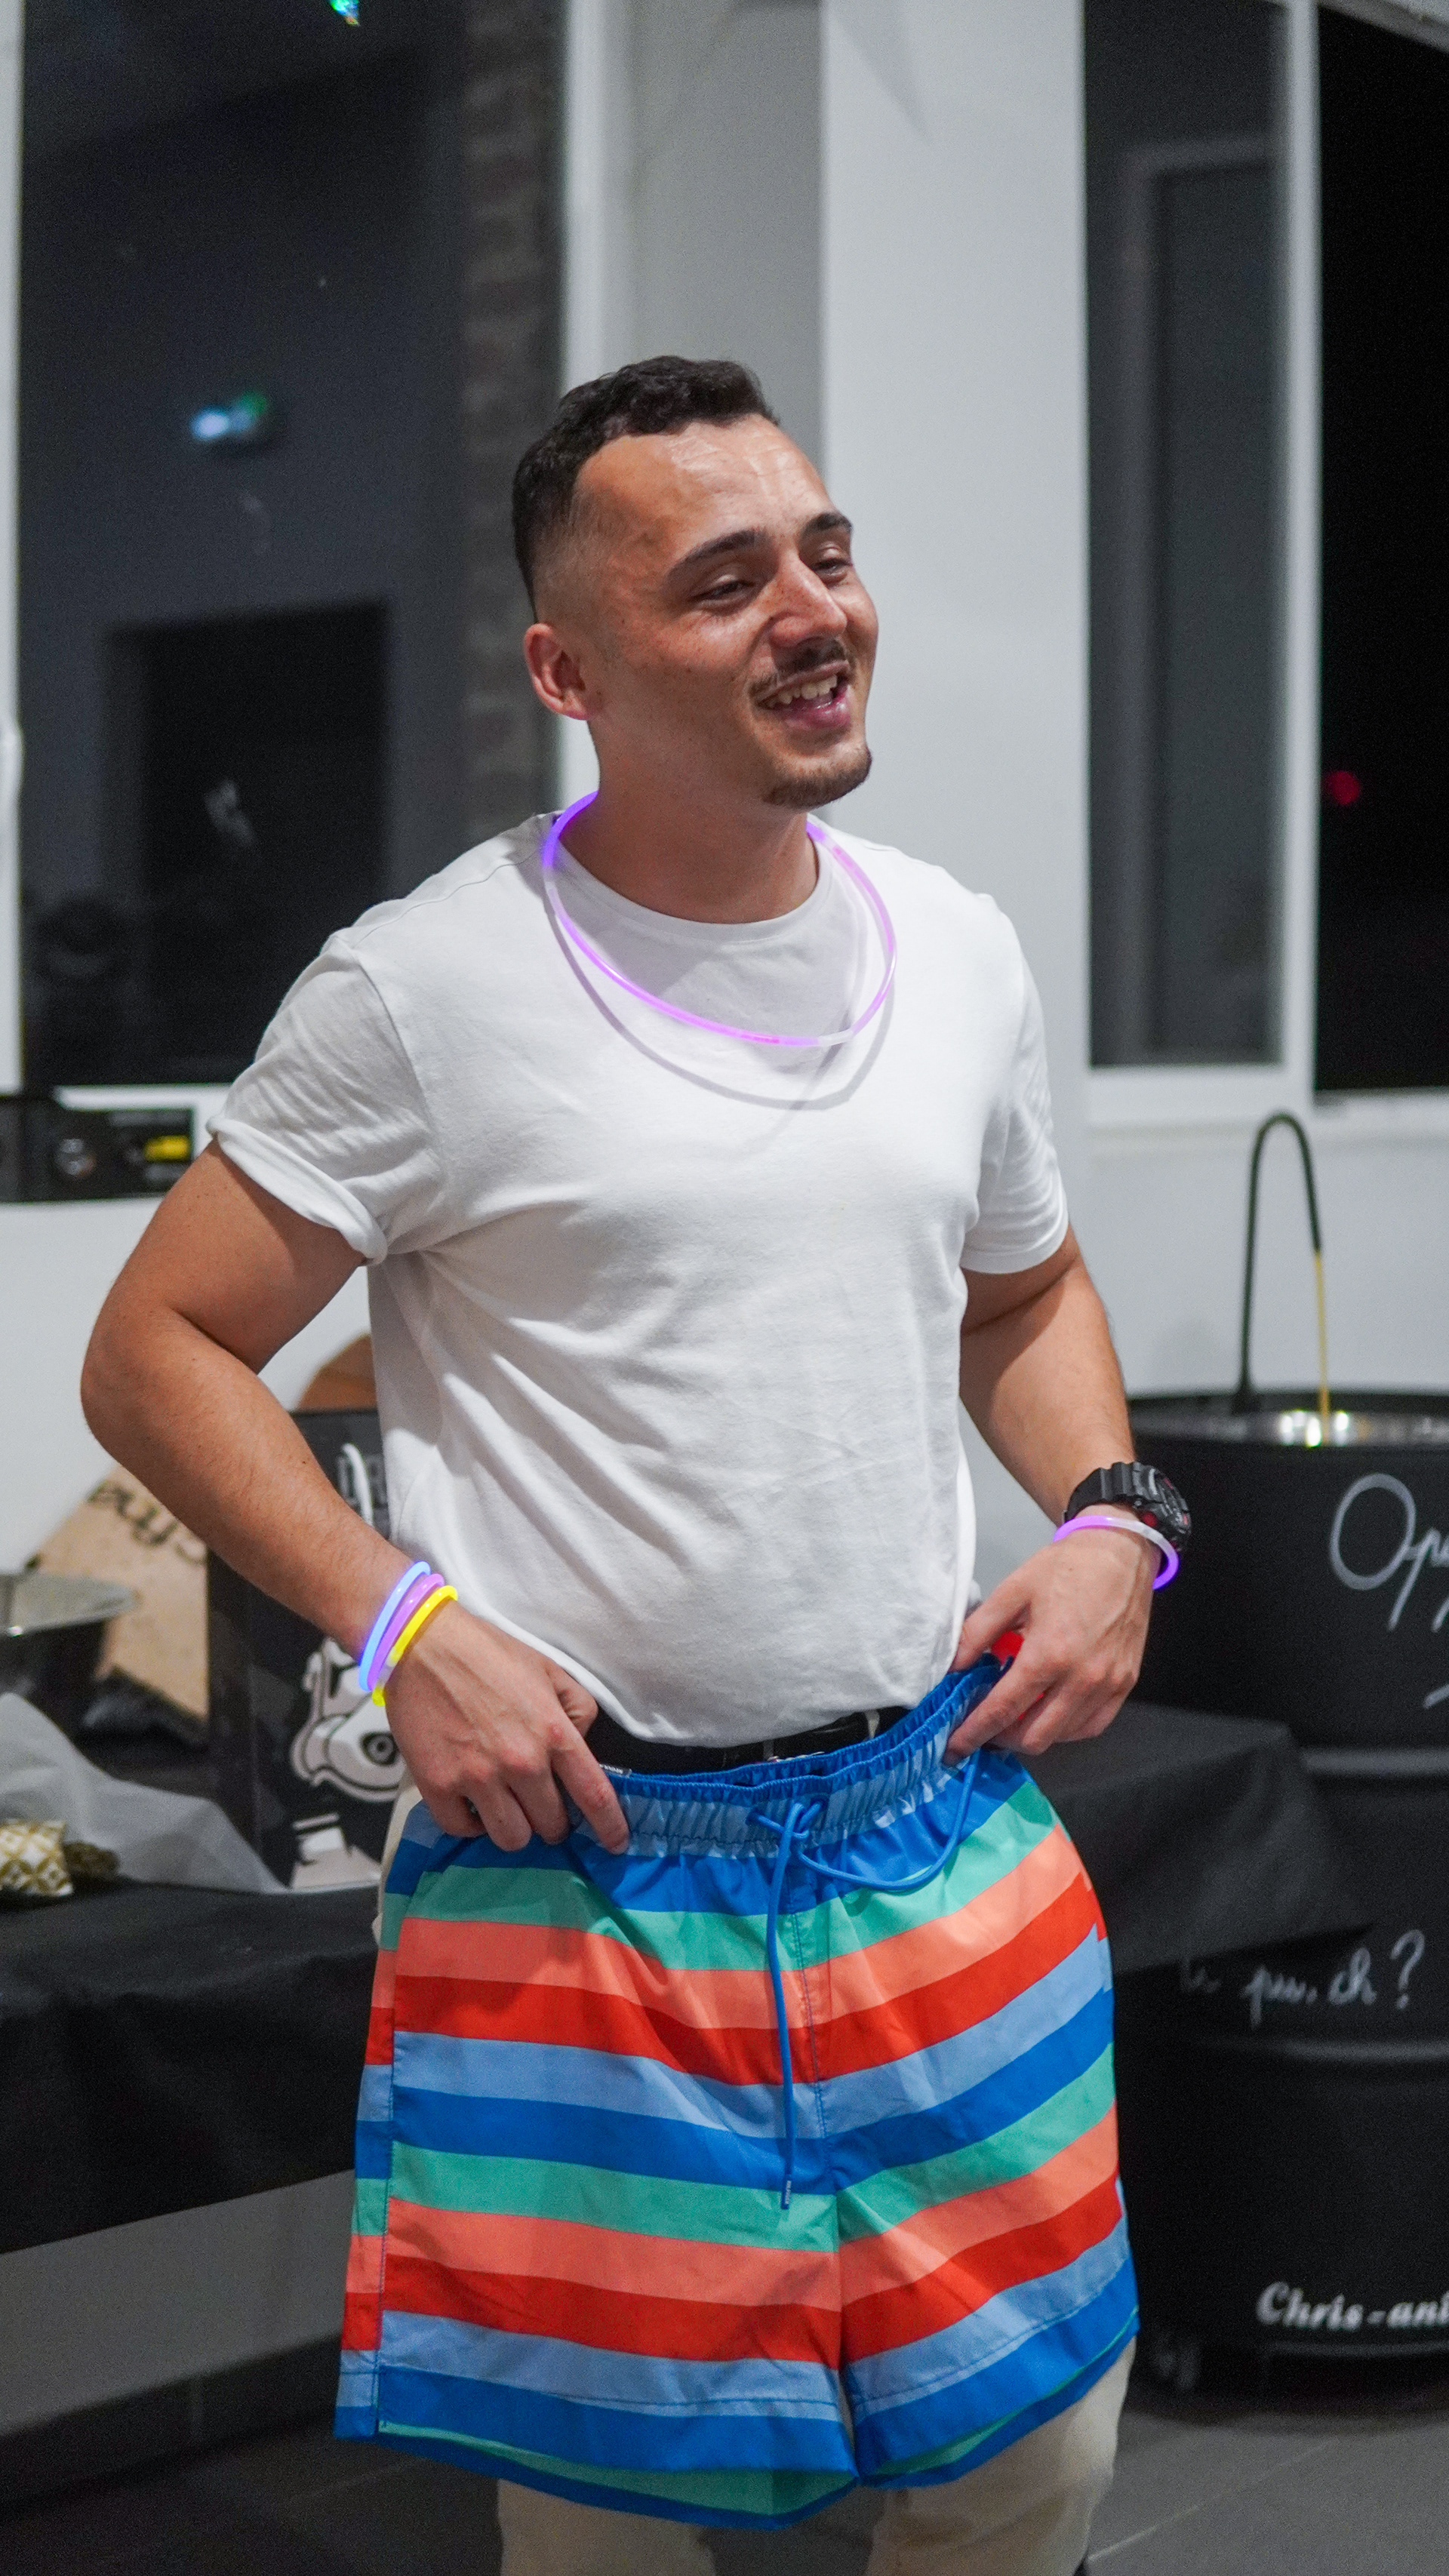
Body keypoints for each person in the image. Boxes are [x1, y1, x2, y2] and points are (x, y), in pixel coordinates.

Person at [82, 355, 1178, 2575]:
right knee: (613, 2518)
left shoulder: (956, 950)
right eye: (724, 579)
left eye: (826, 553)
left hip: (932, 1824)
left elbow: (1024, 1292)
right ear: (570, 672)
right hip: (584, 1874)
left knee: (1034, 2460)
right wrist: (405, 1624)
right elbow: (156, 1352)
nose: (815, 609)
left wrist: (1115, 1519)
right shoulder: (424, 989)